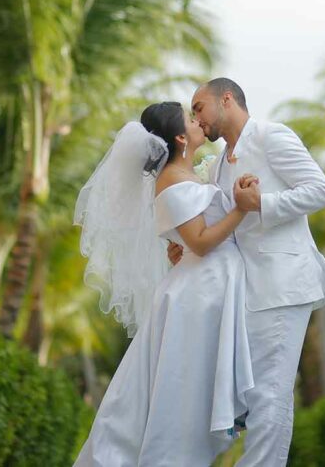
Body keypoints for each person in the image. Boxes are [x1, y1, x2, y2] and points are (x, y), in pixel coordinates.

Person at [72, 101, 260, 467]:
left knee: (184, 393)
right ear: (179, 136)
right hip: (196, 295)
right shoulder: (172, 178)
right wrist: (240, 207)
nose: (198, 121)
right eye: (191, 119)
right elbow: (202, 242)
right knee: (180, 396)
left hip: (205, 287)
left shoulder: (187, 174)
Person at [174, 77, 325, 467]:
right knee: (249, 398)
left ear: (226, 99)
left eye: (199, 107)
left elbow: (321, 190)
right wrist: (183, 243)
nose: (196, 118)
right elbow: (223, 224)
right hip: (244, 293)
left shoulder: (272, 136)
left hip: (283, 284)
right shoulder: (216, 165)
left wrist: (261, 202)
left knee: (270, 394)